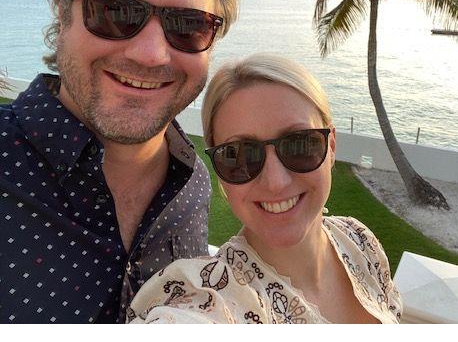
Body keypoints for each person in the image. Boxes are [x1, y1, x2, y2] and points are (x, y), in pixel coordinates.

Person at [0, 0, 242, 323]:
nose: (150, 54)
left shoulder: (192, 184)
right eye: (113, 12)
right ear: (63, 14)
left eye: (187, 25)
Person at [127, 54, 402, 323]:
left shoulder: (358, 241)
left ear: (331, 146)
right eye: (239, 155)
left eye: (299, 145)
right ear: (220, 172)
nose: (275, 182)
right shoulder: (209, 300)